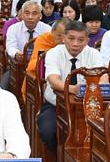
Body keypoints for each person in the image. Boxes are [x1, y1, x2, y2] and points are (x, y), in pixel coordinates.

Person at [37, 21, 104, 152]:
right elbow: (53, 81)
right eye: (71, 38)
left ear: (87, 41)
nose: (75, 44)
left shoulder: (94, 54)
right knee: (48, 130)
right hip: (55, 106)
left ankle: (87, 159)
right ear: (63, 38)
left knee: (101, 130)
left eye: (81, 40)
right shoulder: (53, 53)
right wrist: (73, 89)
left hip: (86, 108)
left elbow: (103, 78)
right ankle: (60, 158)